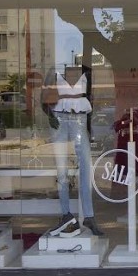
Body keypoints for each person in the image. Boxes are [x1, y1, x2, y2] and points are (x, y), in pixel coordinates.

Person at [42, 65, 103, 237]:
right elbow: (43, 99)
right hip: (59, 119)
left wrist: (89, 131)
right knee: (61, 170)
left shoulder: (87, 72)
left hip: (80, 119)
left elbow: (91, 100)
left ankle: (89, 216)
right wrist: (50, 116)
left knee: (85, 167)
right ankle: (66, 214)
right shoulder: (54, 71)